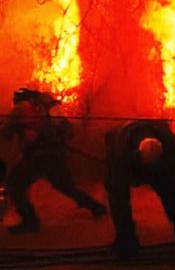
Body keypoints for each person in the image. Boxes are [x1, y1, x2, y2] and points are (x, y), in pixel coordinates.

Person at [1, 88, 106, 233]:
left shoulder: (20, 108)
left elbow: (6, 133)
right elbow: (67, 130)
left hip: (36, 157)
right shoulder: (47, 108)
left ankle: (30, 221)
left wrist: (11, 126)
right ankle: (96, 208)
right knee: (65, 186)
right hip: (56, 154)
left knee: (14, 184)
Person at [104, 120, 175, 258]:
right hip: (128, 161)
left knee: (173, 198)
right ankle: (126, 241)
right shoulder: (122, 149)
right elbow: (118, 189)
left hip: (161, 168)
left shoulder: (171, 147)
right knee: (117, 197)